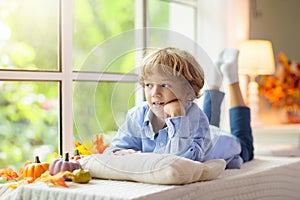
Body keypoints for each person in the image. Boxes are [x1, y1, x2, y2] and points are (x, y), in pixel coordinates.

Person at [104, 47, 254, 169]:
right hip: (206, 131)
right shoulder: (137, 115)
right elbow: (113, 150)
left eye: (165, 85)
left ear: (188, 91)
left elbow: (182, 163)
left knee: (246, 148)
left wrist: (178, 120)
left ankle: (231, 78)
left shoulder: (196, 117)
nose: (155, 93)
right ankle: (215, 80)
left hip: (224, 141)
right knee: (207, 121)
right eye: (149, 85)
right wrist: (124, 154)